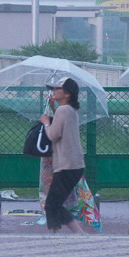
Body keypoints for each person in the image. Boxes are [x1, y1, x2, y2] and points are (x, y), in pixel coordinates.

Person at [38, 77, 86, 234]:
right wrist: (53, 109)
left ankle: (78, 233)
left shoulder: (63, 110)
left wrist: (46, 122)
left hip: (67, 165)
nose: (53, 91)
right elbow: (62, 126)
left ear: (67, 93)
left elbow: (52, 135)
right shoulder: (69, 110)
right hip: (74, 165)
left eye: (57, 88)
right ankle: (55, 232)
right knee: (54, 203)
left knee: (52, 204)